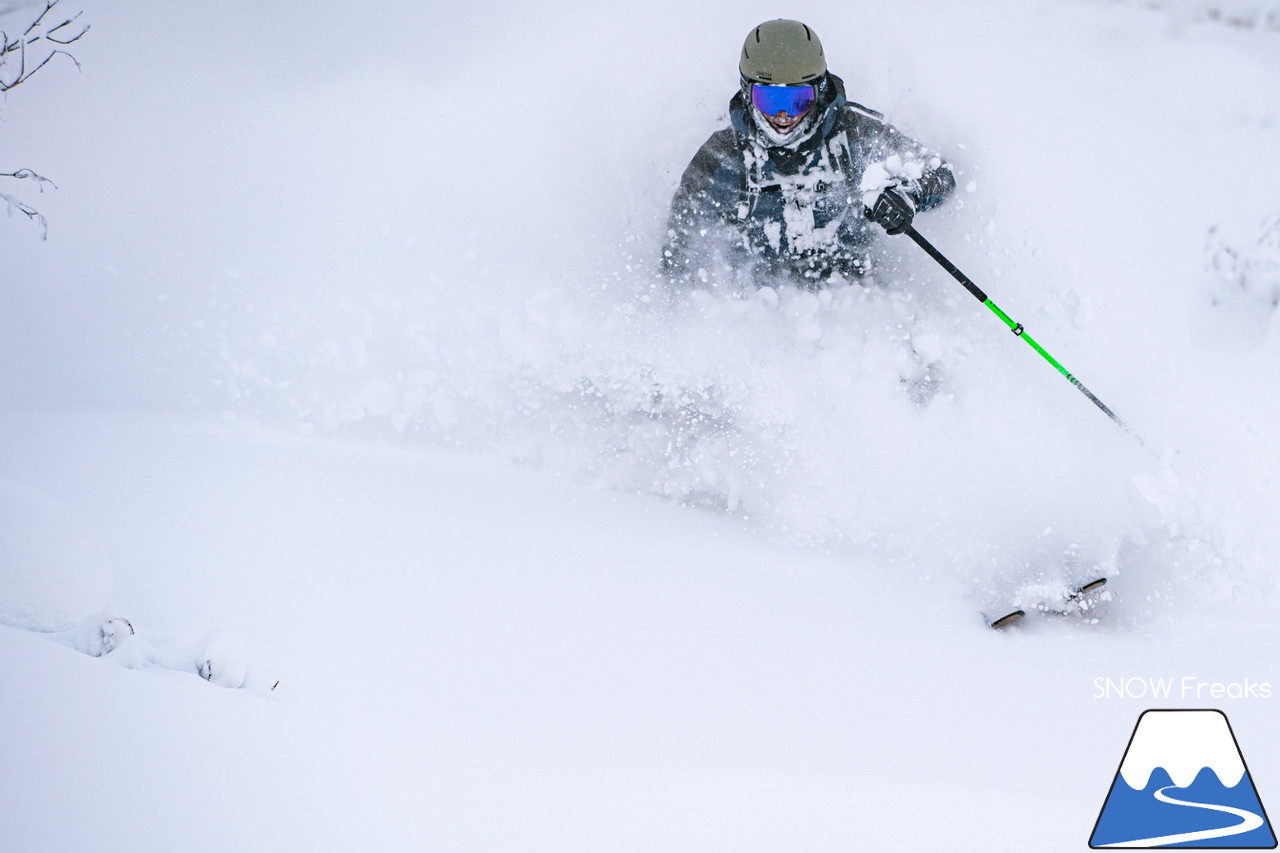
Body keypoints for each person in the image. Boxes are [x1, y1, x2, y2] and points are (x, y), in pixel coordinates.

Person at [662, 19, 956, 288]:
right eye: (768, 98)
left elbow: (941, 176)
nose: (782, 116)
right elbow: (680, 240)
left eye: (797, 100)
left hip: (853, 294)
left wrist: (908, 194)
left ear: (819, 91)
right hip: (757, 305)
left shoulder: (855, 136)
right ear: (746, 92)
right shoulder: (721, 158)